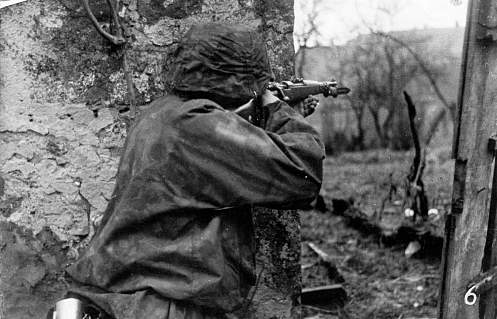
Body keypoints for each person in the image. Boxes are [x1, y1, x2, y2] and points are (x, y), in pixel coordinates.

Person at [56, 23, 325, 319]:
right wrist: (277, 110)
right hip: (159, 306)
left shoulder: (163, 114)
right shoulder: (198, 125)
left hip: (125, 299)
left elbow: (221, 153)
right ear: (238, 81)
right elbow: (303, 175)